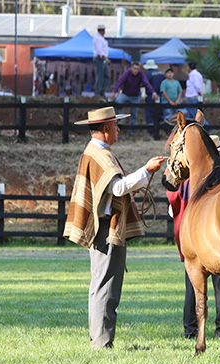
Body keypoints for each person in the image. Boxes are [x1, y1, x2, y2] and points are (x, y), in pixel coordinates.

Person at [64, 106, 165, 348]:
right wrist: (146, 169)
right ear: (106, 129)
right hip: (105, 230)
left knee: (101, 285)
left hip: (104, 229)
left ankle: (99, 339)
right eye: (116, 126)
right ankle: (101, 342)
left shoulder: (97, 152)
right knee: (105, 287)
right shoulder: (100, 155)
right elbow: (118, 188)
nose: (119, 130)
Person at [166, 137, 220, 340]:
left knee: (193, 285)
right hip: (218, 240)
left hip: (193, 240)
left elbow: (172, 211)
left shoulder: (186, 183)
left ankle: (190, 330)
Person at [109, 62, 160, 135]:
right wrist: (114, 92)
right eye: (134, 68)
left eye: (137, 69)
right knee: (118, 102)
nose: (136, 70)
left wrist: (153, 92)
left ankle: (131, 132)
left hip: (135, 96)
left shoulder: (141, 74)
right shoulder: (127, 73)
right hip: (125, 94)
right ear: (131, 68)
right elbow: (120, 81)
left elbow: (146, 83)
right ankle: (122, 119)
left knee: (134, 113)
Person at [143, 59, 165, 140]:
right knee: (160, 114)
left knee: (150, 115)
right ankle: (162, 131)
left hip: (151, 96)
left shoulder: (147, 74)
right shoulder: (161, 73)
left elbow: (144, 84)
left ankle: (152, 133)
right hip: (161, 96)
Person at [93, 24, 110, 96]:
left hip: (102, 59)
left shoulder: (102, 38)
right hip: (99, 58)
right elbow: (99, 50)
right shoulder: (97, 38)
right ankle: (98, 92)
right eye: (102, 30)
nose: (104, 31)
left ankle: (102, 90)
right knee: (100, 76)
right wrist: (106, 59)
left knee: (107, 75)